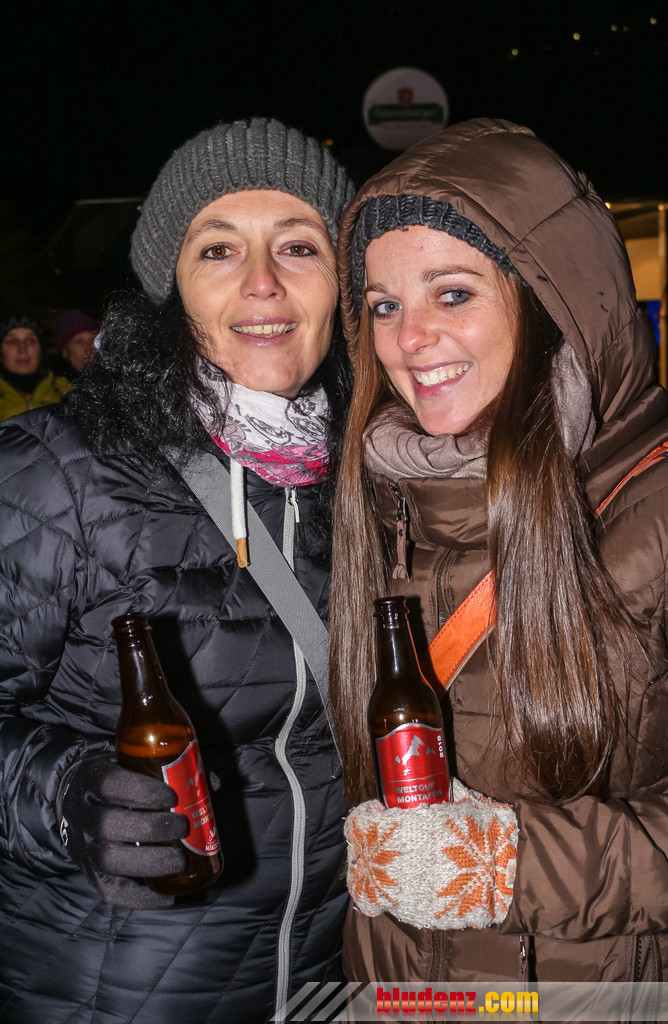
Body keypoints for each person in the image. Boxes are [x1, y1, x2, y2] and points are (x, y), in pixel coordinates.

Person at [0, 117, 354, 1023]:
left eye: (300, 247)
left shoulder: (375, 480)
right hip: (110, 995)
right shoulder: (56, 472)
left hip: (325, 983)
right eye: (218, 249)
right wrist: (64, 795)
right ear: (172, 289)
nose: (263, 282)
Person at [329, 117, 668, 990]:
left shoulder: (664, 513)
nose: (409, 338)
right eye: (383, 305)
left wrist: (511, 866)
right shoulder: (379, 508)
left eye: (452, 294)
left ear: (555, 303)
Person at [0, 312, 71, 421]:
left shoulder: (67, 393)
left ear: (41, 350)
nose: (22, 349)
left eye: (30, 341)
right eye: (12, 341)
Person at [52, 307, 99, 380]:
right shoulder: (53, 386)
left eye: (92, 341)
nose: (88, 348)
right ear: (65, 351)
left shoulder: (111, 381)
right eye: (79, 342)